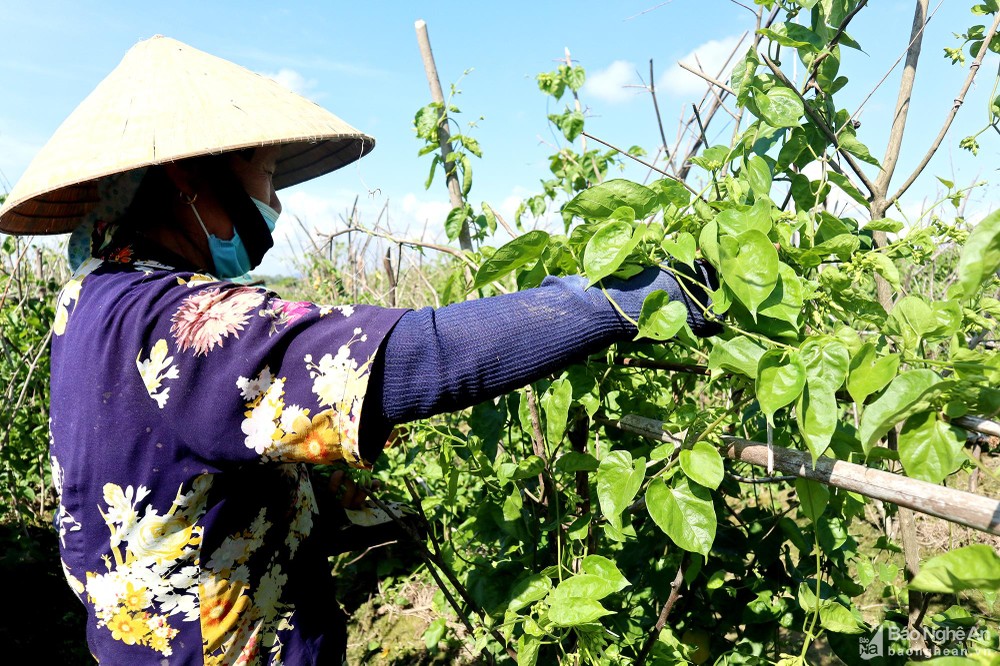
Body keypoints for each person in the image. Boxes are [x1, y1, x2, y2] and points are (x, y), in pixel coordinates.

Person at [0, 36, 719, 664]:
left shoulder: (91, 302)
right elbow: (417, 358)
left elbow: (174, 463)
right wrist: (627, 298)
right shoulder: (181, 324)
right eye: (266, 172)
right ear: (190, 175)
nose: (274, 200)